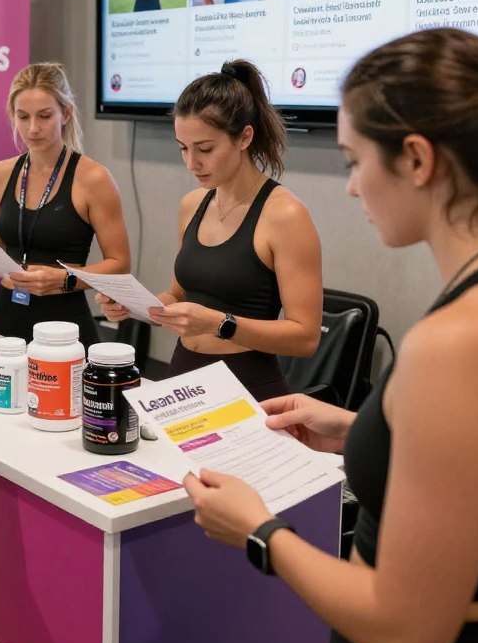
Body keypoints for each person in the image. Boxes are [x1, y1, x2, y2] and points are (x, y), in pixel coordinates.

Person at [184, 28, 478, 643]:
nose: (350, 187)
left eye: (353, 161)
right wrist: (359, 429)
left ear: (415, 158)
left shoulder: (463, 341)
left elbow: (408, 631)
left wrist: (260, 531)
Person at [97, 60, 322, 400]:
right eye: (183, 148)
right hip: (182, 379)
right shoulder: (192, 205)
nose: (191, 163)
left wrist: (219, 324)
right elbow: (179, 295)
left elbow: (305, 337)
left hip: (248, 387)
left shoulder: (286, 215)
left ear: (244, 137)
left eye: (204, 149)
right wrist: (137, 306)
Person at [0, 62, 130, 349]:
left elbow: (119, 265)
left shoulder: (93, 179)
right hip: (8, 315)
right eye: (23, 116)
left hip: (64, 321)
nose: (33, 128)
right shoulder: (0, 174)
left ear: (65, 113)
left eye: (45, 116)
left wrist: (64, 279)